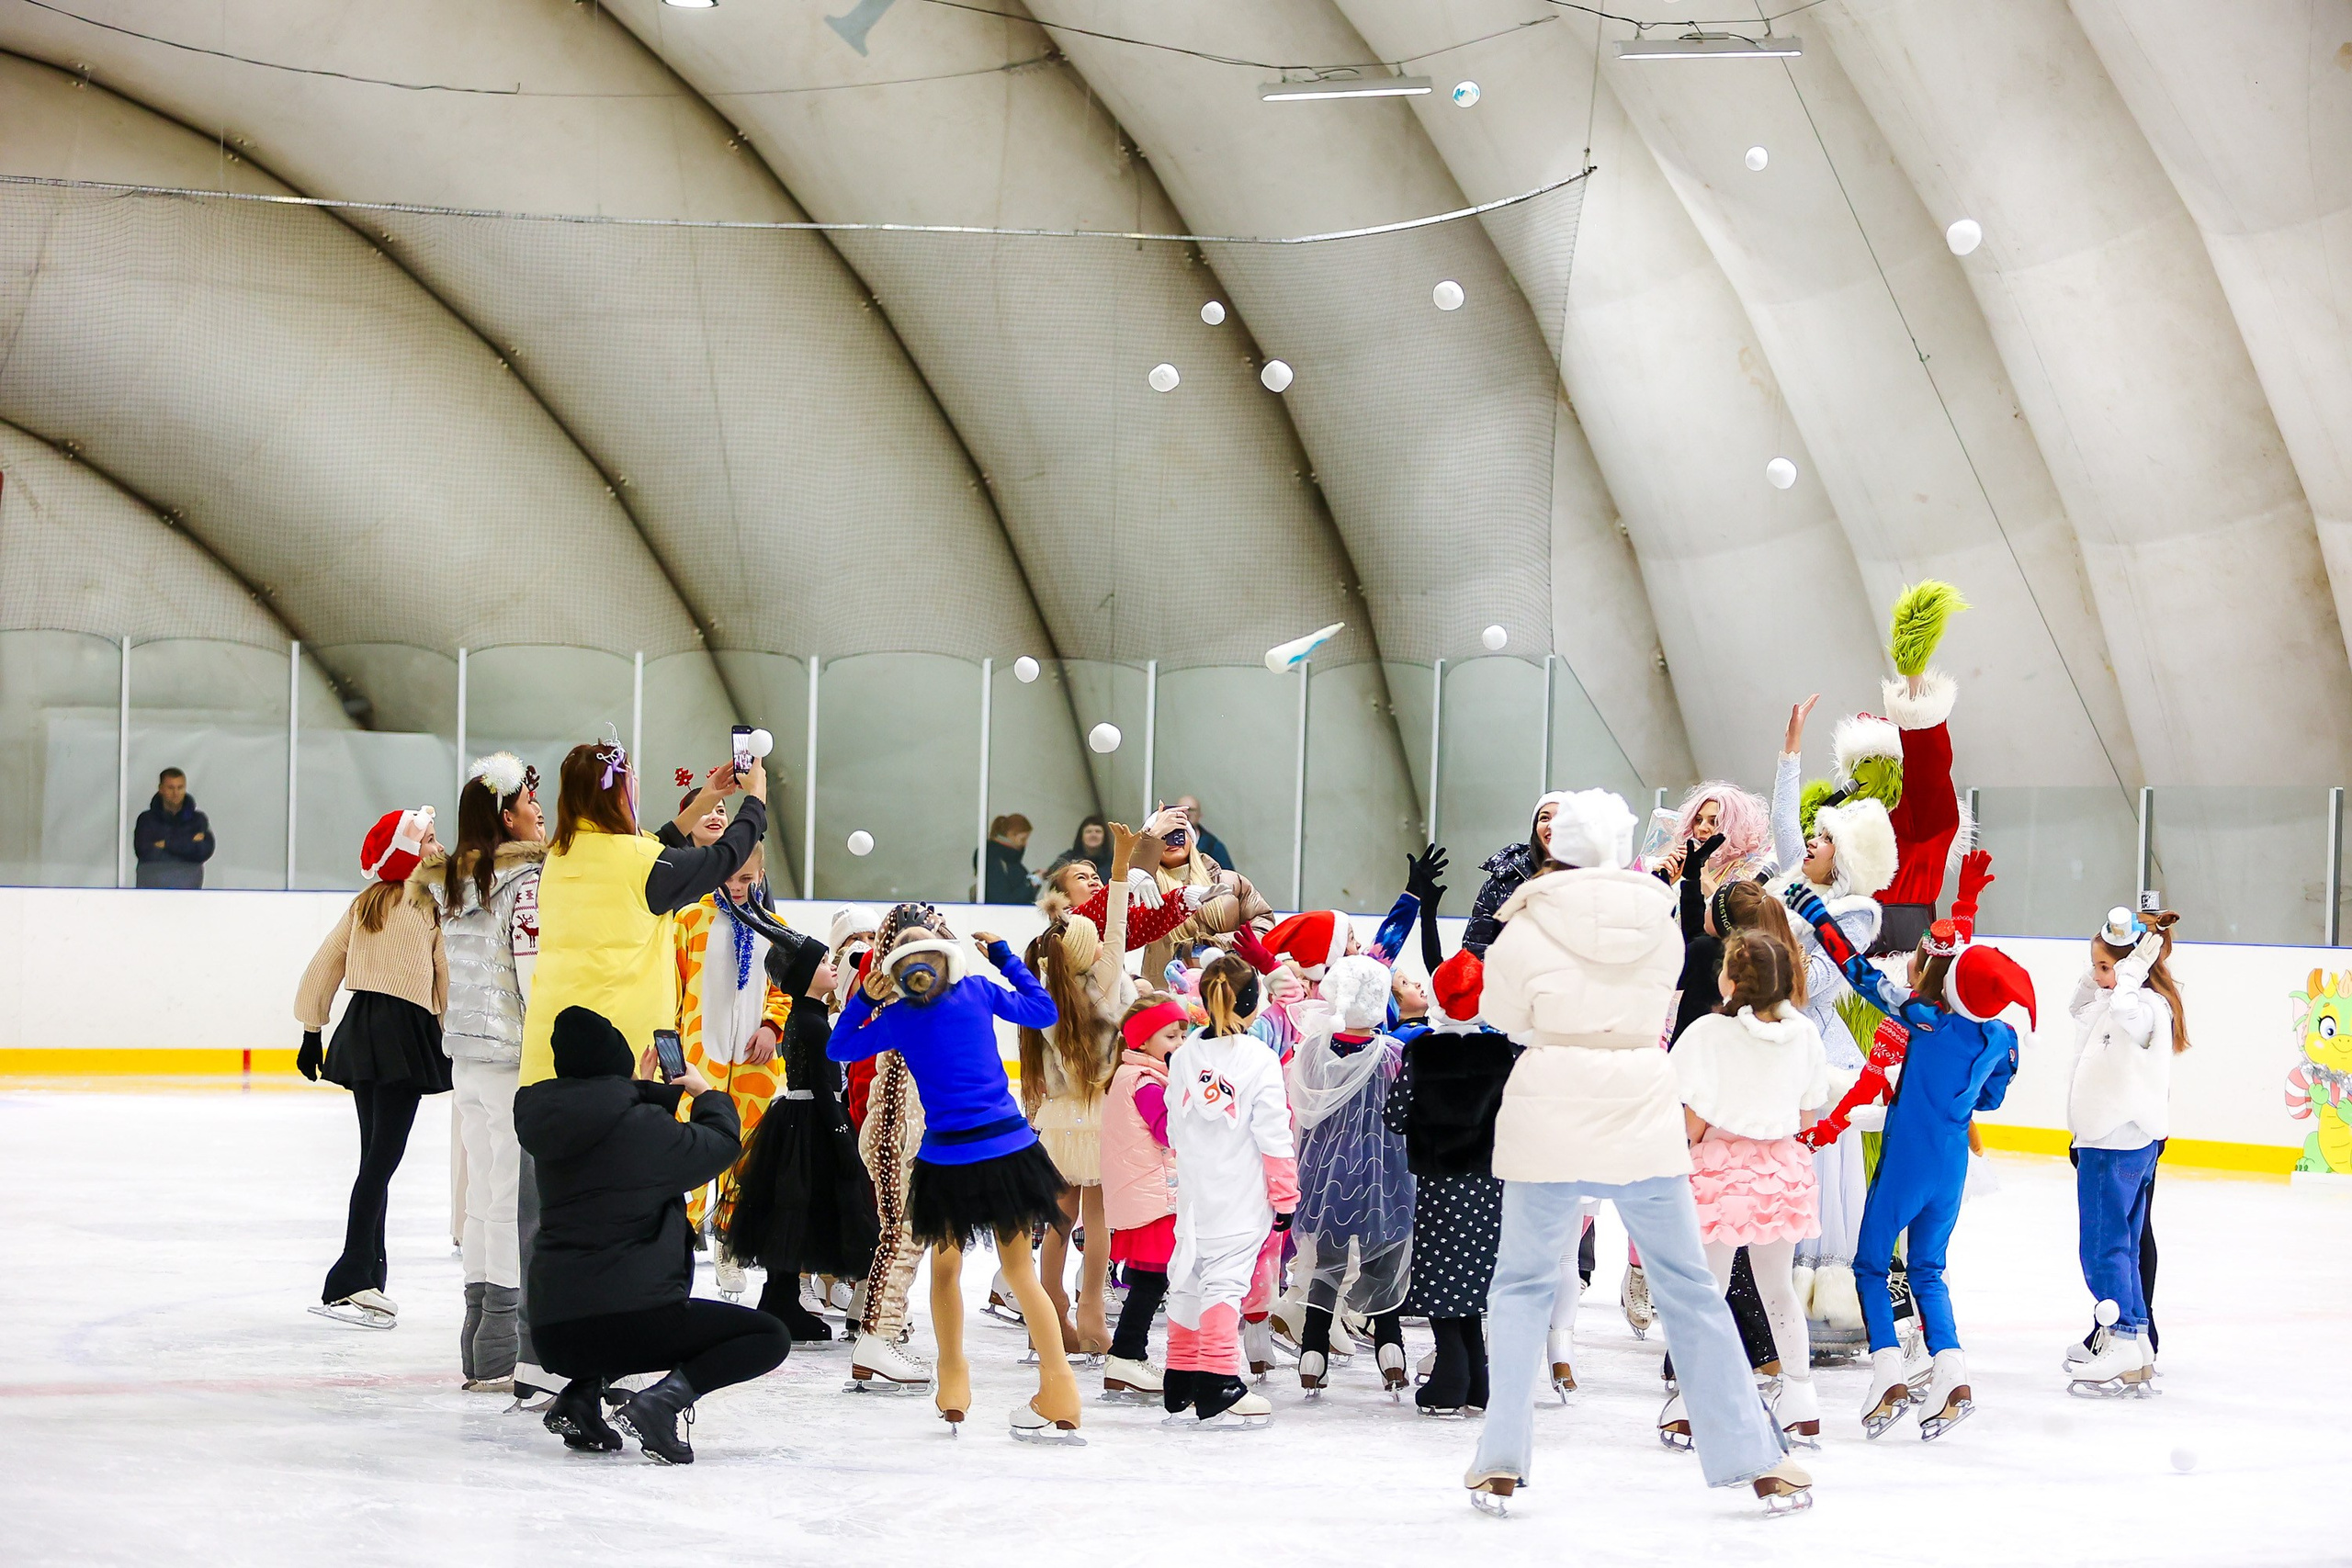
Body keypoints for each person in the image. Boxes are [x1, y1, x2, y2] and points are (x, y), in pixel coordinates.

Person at [1468, 787, 1809, 1517]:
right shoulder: (1656, 918)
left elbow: (1499, 1014)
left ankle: (1499, 1457)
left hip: (1550, 1103)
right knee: (1689, 1289)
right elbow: (1663, 994)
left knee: (1523, 1283)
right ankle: (1757, 1457)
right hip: (1640, 1105)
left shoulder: (1524, 925)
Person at [1787, 849, 2028, 1442]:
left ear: (1925, 973)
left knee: (1871, 1263)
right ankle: (1952, 1371)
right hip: (1951, 1167)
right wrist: (1965, 902)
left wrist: (1818, 915)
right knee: (1928, 1269)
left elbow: (1857, 971)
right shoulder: (1998, 1033)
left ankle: (1888, 1372)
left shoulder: (1919, 1016)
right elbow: (1991, 1088)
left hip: (1906, 1163)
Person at [827, 905, 1080, 1443]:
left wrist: (866, 1001)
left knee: (946, 1272)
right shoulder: (980, 992)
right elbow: (1042, 1011)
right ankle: (1059, 1389)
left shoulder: (896, 1019)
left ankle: (953, 1385)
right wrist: (1008, 959)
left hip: (948, 1162)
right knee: (1021, 1274)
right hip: (1008, 1148)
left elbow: (839, 1048)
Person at [514, 1005, 789, 1464]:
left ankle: (580, 1398)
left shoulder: (552, 1125)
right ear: (618, 1066)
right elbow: (719, 1145)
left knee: (610, 1299)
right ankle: (662, 1403)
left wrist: (640, 1095)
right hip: (626, 1320)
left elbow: (617, 1134)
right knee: (768, 1336)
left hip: (554, 1329)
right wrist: (703, 1094)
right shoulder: (640, 1128)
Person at [516, 737, 765, 1089]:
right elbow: (720, 859)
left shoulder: (558, 856)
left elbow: (651, 851)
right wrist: (755, 802)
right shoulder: (640, 864)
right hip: (618, 1057)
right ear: (617, 794)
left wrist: (706, 799)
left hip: (549, 1054)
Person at [1668, 930, 1832, 1449]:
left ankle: (1694, 1402)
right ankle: (1801, 1399)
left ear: (1732, 980)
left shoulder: (1707, 1034)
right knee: (1777, 1287)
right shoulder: (1804, 1033)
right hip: (1781, 1172)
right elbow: (1808, 1113)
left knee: (1709, 1292)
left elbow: (1692, 1118)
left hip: (1720, 1170)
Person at [294, 807, 449, 1330]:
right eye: (428, 840)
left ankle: (371, 1274)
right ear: (407, 853)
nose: (437, 846)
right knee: (380, 1163)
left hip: (361, 1032)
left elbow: (325, 962)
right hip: (403, 1037)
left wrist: (312, 1029)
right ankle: (352, 1278)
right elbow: (444, 975)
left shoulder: (366, 903)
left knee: (374, 1159)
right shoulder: (428, 904)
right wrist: (454, 1034)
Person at [431, 754, 545, 1392]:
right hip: (507, 1059)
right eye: (531, 799)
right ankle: (500, 1339)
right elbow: (530, 979)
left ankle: (479, 1340)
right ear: (507, 815)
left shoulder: (456, 879)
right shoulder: (522, 884)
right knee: (504, 1198)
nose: (540, 809)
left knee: (481, 1199)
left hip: (468, 1058)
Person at [724, 892, 879, 1343]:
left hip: (798, 1118)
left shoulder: (805, 1017)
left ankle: (781, 1296)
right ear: (804, 976)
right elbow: (828, 1086)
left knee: (791, 1212)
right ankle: (783, 1299)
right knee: (796, 1212)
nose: (835, 967)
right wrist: (841, 1136)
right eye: (824, 963)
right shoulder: (811, 1023)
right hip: (813, 1121)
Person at [1018, 819, 1147, 1357]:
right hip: (1100, 1118)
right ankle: (1092, 1309)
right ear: (1088, 952)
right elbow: (1114, 925)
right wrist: (1120, 864)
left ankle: (1050, 1306)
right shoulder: (1107, 978)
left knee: (1057, 1218)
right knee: (1098, 1222)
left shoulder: (1044, 998)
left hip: (1056, 1121)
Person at [1163, 955, 1295, 1426]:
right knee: (1226, 1281)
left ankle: (1179, 1375)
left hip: (1195, 1193)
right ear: (1253, 1003)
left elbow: (1174, 1126)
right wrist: (1285, 1197)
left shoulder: (1182, 1056)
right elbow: (1273, 1133)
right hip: (1239, 1193)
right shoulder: (1258, 1058)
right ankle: (1219, 1379)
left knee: (1189, 1276)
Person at [1385, 942, 1513, 1416]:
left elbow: (1395, 1116)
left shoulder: (1424, 1052)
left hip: (1441, 1184)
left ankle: (1452, 1377)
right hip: (1490, 1184)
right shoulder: (1504, 1054)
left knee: (1442, 1277)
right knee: (1475, 1276)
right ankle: (1477, 1379)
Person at [2064, 903, 2185, 1395]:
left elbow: (2123, 1008)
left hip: (2114, 1142)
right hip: (2118, 1140)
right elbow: (2079, 1007)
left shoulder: (2140, 1008)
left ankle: (2119, 1339)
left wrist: (2132, 965)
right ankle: (2135, 1340)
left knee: (2103, 1246)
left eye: (2103, 967)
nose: (2097, 976)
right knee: (2125, 1244)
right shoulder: (2116, 1002)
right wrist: (2110, 966)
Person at [667, 845, 793, 1303]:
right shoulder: (690, 921)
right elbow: (675, 987)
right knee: (693, 1149)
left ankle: (730, 1246)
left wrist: (771, 1026)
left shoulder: (775, 930)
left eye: (747, 879)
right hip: (701, 1054)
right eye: (730, 878)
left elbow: (784, 989)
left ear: (760, 875)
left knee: (746, 1153)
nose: (737, 888)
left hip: (754, 1061)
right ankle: (677, 1241)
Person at [1287, 953, 1416, 1395]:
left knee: (1326, 1262)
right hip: (1385, 1172)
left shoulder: (1311, 1051)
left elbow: (1301, 1114)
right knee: (1384, 1261)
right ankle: (1390, 1348)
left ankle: (1312, 1353)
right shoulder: (1393, 1054)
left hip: (1327, 1172)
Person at [1097, 991, 1187, 1402]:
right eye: (1170, 1035)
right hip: (1154, 1199)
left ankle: (1128, 1356)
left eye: (1183, 1033)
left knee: (1151, 1280)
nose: (1180, 1044)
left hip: (1149, 1194)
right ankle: (1126, 1356)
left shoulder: (1136, 1076)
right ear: (1143, 1041)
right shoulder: (1146, 1083)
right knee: (1153, 1280)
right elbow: (1168, 1132)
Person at [132, 767, 214, 889]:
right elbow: (145, 852)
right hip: (151, 893)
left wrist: (166, 844)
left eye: (180, 788)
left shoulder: (198, 819)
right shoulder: (147, 820)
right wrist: (188, 843)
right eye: (171, 788)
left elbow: (204, 851)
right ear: (161, 789)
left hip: (189, 893)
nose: (176, 793)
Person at [981, 813, 1035, 904]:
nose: (1025, 844)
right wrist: (1031, 883)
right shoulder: (994, 858)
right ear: (1011, 835)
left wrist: (1032, 880)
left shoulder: (1009, 859)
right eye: (1023, 839)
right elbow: (1003, 899)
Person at [1173, 795, 1232, 875]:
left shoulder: (1213, 845)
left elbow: (1228, 876)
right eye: (1182, 810)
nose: (1186, 814)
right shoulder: (1165, 841)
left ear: (1200, 815)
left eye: (1190, 810)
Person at [1059, 815, 1112, 881]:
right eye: (1088, 831)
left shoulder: (1114, 862)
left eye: (1098, 831)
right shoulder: (1067, 859)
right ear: (1081, 836)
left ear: (1105, 837)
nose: (1093, 835)